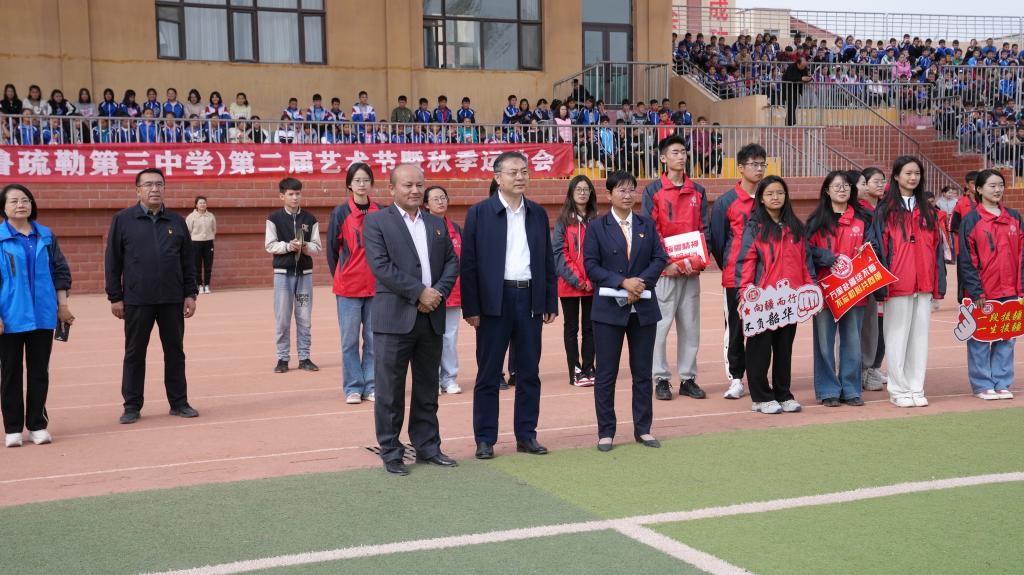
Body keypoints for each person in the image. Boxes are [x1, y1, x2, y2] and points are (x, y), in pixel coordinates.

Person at [362, 164, 459, 476]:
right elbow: (380, 266)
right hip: (395, 318)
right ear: (392, 189)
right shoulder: (376, 222)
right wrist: (419, 293)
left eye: (419, 184)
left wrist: (437, 294)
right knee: (390, 390)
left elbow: (451, 262)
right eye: (408, 185)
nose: (415, 190)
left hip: (431, 316)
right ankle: (391, 452)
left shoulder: (436, 223)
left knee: (427, 388)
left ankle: (428, 446)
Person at [461, 152, 558, 460]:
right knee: (489, 373)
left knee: (529, 372)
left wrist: (549, 300)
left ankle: (526, 435)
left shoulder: (537, 213)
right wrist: (471, 307)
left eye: (524, 171)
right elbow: (469, 264)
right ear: (497, 178)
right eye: (513, 172)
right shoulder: (480, 213)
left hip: (529, 299)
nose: (520, 177)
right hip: (494, 302)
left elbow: (547, 260)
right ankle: (485, 438)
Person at [105, 168, 199, 424]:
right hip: (137, 299)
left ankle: (179, 402)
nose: (154, 189)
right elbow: (112, 261)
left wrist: (190, 293)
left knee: (175, 352)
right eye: (148, 185)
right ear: (138, 190)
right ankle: (131, 406)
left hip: (172, 299)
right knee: (134, 353)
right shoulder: (123, 220)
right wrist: (115, 297)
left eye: (159, 184)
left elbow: (188, 261)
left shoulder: (176, 221)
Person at [583, 171, 668, 451]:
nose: (628, 195)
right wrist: (622, 282)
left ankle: (643, 429)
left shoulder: (646, 224)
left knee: (642, 373)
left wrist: (639, 284)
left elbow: (659, 258)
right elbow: (591, 266)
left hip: (643, 308)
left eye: (631, 189)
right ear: (609, 195)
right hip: (608, 310)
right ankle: (606, 431)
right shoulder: (597, 227)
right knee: (606, 374)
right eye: (621, 190)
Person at [1, 184, 73, 447]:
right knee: (10, 372)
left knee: (39, 371)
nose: (21, 205)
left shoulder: (46, 235)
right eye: (14, 201)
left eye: (25, 200)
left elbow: (60, 271)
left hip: (43, 315)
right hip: (9, 316)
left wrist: (62, 306)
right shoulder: (1, 239)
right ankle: (12, 428)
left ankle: (37, 425)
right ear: (3, 208)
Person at [870, 156, 945, 408]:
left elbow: (937, 248)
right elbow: (877, 247)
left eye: (917, 173)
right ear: (896, 176)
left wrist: (938, 284)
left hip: (923, 282)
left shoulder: (929, 211)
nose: (913, 178)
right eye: (908, 173)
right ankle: (898, 388)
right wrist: (882, 283)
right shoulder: (885, 211)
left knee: (919, 338)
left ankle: (916, 387)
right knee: (896, 336)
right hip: (897, 282)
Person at [736, 176, 815, 414]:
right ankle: (761, 397)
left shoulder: (795, 227)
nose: (775, 197)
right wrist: (745, 293)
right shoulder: (754, 227)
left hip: (789, 298)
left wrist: (810, 289)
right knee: (759, 350)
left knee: (784, 349)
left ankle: (783, 394)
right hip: (762, 299)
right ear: (761, 198)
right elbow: (746, 262)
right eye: (769, 193)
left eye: (780, 193)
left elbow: (805, 262)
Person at [642, 135, 709, 402]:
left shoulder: (698, 191)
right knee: (660, 326)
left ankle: (688, 378)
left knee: (690, 326)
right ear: (663, 158)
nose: (681, 156)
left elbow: (704, 229)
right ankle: (660, 378)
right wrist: (666, 263)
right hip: (665, 271)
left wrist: (697, 262)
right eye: (675, 152)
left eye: (683, 152)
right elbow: (650, 230)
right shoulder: (653, 191)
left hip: (691, 271)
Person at [806, 172, 871, 407]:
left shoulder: (863, 219)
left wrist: (866, 253)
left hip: (855, 290)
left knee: (852, 341)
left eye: (845, 186)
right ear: (827, 191)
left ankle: (851, 389)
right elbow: (805, 250)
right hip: (826, 290)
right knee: (824, 342)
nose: (842, 190)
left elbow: (874, 247)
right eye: (836, 186)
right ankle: (828, 389)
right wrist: (827, 257)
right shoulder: (816, 221)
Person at [709, 143, 768, 400]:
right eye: (754, 164)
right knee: (735, 328)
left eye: (762, 164)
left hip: (766, 277)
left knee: (762, 328)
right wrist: (733, 264)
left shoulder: (770, 197)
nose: (759, 169)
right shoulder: (726, 202)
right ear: (741, 168)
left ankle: (759, 376)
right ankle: (735, 378)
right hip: (735, 276)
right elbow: (718, 240)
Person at [958, 170, 1023, 400]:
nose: (997, 190)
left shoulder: (1014, 217)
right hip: (983, 291)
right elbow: (967, 260)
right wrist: (976, 291)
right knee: (980, 337)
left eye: (1000, 185)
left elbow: (1022, 255)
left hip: (1011, 290)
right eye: (992, 186)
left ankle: (1002, 382)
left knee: (1007, 336)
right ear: (979, 189)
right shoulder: (971, 220)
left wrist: (1021, 288)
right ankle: (982, 384)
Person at [326, 163, 380, 402]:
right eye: (357, 180)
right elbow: (332, 250)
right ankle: (353, 388)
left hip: (376, 288)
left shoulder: (381, 211)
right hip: (348, 288)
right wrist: (343, 274)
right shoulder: (340, 213)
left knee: (373, 340)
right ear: (349, 184)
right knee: (349, 342)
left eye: (366, 180)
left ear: (371, 183)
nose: (361, 184)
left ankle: (371, 385)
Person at [265, 178, 321, 374]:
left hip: (304, 276)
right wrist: (288, 246)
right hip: (283, 276)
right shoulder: (274, 218)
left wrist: (306, 247)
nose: (295, 197)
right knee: (282, 318)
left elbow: (317, 247)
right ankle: (282, 358)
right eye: (290, 194)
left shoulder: (310, 219)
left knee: (304, 317)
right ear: (282, 196)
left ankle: (304, 357)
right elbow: (270, 245)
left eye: (297, 193)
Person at [553, 176, 597, 387]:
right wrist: (578, 280)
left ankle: (589, 366)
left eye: (586, 189)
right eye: (578, 189)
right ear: (571, 193)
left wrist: (592, 279)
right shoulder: (563, 221)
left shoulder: (596, 220)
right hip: (570, 285)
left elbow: (601, 252)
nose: (582, 193)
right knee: (571, 328)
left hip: (592, 284)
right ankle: (575, 369)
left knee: (590, 327)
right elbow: (559, 254)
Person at [424, 185, 464, 394]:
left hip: (453, 293)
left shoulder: (455, 228)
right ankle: (432, 379)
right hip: (428, 294)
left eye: (443, 198)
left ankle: (449, 379)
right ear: (426, 204)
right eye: (435, 199)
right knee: (430, 339)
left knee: (449, 338)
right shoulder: (421, 226)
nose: (441, 202)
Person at [858, 167, 888, 392]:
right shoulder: (860, 211)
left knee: (882, 326)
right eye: (875, 181)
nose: (880, 185)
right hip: (868, 275)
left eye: (882, 181)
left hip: (886, 273)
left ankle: (874, 366)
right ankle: (864, 368)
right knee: (869, 327)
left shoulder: (886, 209)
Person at [186, 196, 216, 294]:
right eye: (200, 203)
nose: (203, 204)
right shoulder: (191, 217)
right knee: (196, 265)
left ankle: (207, 285)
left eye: (204, 203)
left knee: (208, 265)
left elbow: (214, 229)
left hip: (208, 242)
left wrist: (209, 237)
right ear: (196, 205)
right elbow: (188, 231)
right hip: (195, 243)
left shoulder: (211, 216)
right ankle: (199, 285)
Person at [782, 57, 811, 126]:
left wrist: (808, 78)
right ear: (798, 64)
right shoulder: (791, 67)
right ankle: (792, 123)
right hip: (788, 88)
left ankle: (788, 123)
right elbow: (789, 78)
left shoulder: (804, 68)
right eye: (802, 66)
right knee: (791, 105)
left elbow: (805, 76)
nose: (803, 68)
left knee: (793, 106)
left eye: (804, 66)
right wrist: (801, 78)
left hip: (796, 89)